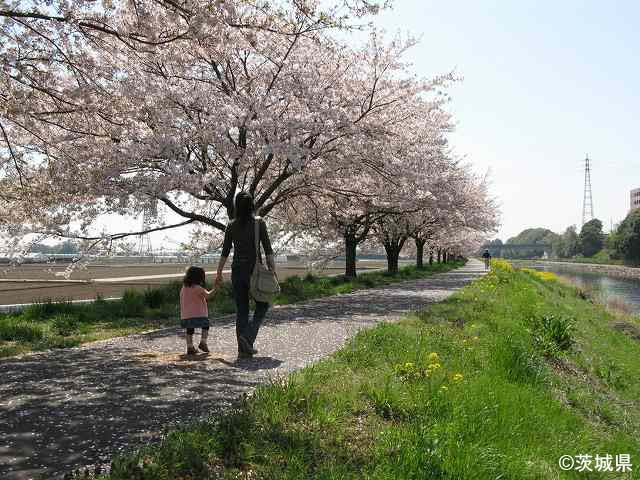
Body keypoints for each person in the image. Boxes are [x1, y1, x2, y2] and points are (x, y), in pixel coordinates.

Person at [215, 192, 276, 358]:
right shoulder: (259, 223)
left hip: (237, 271)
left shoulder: (231, 225)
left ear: (236, 206)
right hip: (254, 270)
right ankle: (247, 338)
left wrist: (219, 272)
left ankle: (243, 349)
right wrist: (273, 270)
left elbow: (225, 252)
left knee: (242, 309)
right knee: (263, 304)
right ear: (252, 205)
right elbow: (268, 249)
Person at [180, 266, 214, 355]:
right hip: (200, 313)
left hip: (186, 315)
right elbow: (208, 296)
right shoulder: (198, 288)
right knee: (205, 326)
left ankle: (190, 347)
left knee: (190, 330)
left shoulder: (184, 288)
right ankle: (203, 342)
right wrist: (216, 287)